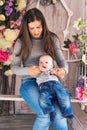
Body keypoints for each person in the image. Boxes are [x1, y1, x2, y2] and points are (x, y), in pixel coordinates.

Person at [11, 8, 70, 130]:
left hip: (51, 82)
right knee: (44, 114)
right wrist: (28, 71)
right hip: (30, 82)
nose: (36, 31)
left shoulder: (52, 38)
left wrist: (63, 70)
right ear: (26, 28)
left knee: (60, 115)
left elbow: (61, 61)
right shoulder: (21, 42)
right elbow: (14, 68)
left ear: (43, 24)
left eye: (38, 27)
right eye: (31, 28)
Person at [36, 54, 74, 121]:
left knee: (64, 96)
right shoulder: (38, 72)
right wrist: (38, 70)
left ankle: (67, 111)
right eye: (41, 62)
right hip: (44, 87)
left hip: (56, 85)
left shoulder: (53, 70)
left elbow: (61, 76)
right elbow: (32, 74)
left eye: (46, 62)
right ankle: (50, 111)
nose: (43, 64)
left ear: (51, 65)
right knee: (42, 99)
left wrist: (55, 72)